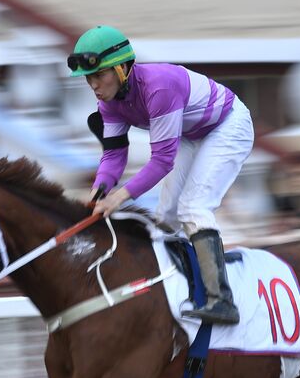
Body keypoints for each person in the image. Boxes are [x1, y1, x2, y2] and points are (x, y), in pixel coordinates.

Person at [73, 25, 254, 325]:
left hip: (228, 126)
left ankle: (222, 300)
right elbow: (114, 155)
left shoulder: (159, 87)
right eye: (88, 78)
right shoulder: (109, 103)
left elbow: (162, 162)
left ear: (122, 68)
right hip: (192, 135)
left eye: (98, 75)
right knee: (167, 216)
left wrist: (118, 197)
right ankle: (175, 292)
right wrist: (100, 190)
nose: (93, 84)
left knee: (193, 208)